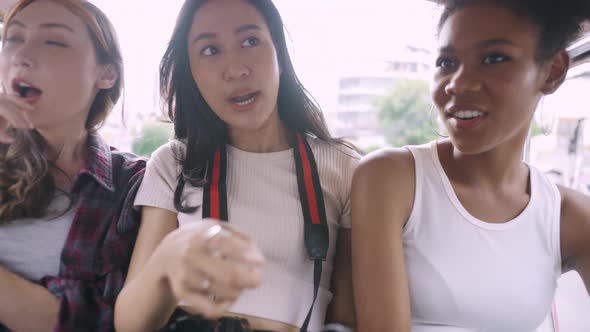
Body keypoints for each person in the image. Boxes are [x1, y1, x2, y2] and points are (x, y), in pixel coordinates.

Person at [114, 0, 358, 331]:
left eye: (250, 41)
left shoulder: (344, 167)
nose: (235, 69)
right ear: (192, 74)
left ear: (280, 56)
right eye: (211, 50)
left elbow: (347, 319)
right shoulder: (173, 163)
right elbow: (129, 325)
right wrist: (167, 260)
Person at [351, 0, 590, 331]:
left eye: (493, 59)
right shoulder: (391, 178)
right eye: (447, 62)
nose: (458, 84)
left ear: (552, 71)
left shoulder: (570, 216)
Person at [0, 0, 145, 331]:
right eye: (13, 39)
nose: (21, 56)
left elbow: (104, 321)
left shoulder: (131, 183)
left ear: (106, 73)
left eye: (53, 41)